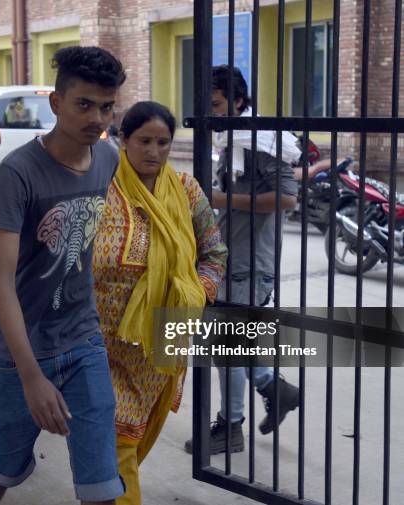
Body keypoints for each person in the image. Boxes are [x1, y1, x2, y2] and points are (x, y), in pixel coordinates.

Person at [0, 46, 127, 504]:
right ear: (57, 103)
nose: (95, 117)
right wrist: (30, 376)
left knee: (101, 480)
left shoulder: (108, 158)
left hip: (82, 338)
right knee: (4, 468)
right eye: (83, 104)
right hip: (20, 350)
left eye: (105, 107)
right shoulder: (18, 172)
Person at [93, 101, 227, 505]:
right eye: (144, 141)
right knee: (117, 443)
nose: (153, 151)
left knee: (134, 442)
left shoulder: (186, 190)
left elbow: (214, 253)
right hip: (103, 342)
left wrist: (195, 292)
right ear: (123, 140)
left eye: (163, 142)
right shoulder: (100, 188)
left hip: (162, 341)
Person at [185, 65, 300, 456]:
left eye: (216, 104)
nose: (211, 113)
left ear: (237, 101)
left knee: (224, 347)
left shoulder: (261, 143)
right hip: (229, 258)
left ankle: (231, 428)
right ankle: (275, 389)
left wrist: (221, 200)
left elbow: (287, 199)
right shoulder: (233, 140)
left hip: (252, 263)